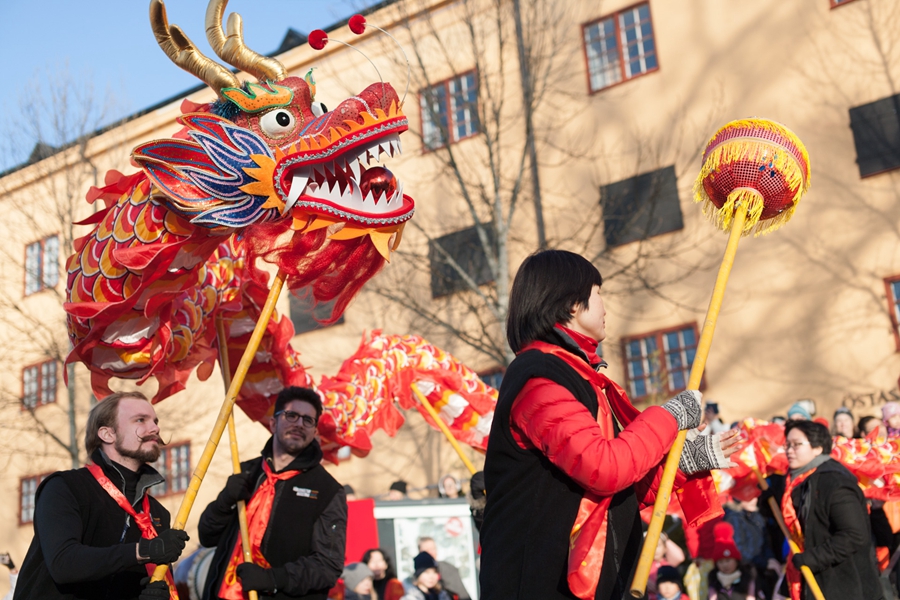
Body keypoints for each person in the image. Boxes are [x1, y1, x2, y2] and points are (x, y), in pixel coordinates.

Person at [479, 250, 739, 600]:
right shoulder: (538, 378)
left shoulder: (579, 376)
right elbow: (604, 469)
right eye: (599, 293)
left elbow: (616, 489)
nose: (605, 308)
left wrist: (683, 462)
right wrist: (670, 415)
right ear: (573, 303)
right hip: (539, 582)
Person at [13, 391, 189, 600]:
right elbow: (64, 563)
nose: (155, 428)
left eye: (155, 421)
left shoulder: (157, 513)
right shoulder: (65, 487)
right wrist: (144, 550)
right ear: (107, 434)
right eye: (140, 420)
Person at [199, 386, 346, 600]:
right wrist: (224, 500)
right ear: (273, 423)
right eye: (291, 415)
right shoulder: (246, 472)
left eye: (308, 420)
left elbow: (328, 566)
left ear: (315, 432)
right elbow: (207, 536)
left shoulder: (328, 490)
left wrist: (274, 579)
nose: (299, 424)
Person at [781, 420, 883, 600]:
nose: (789, 450)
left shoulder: (835, 482)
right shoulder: (801, 480)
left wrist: (811, 559)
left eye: (796, 445)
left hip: (846, 586)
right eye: (787, 445)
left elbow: (854, 535)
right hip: (819, 583)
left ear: (818, 448)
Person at [707, 522, 757, 600]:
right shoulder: (714, 579)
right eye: (720, 562)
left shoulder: (747, 576)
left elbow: (751, 597)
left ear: (736, 560)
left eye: (728, 560)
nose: (725, 565)